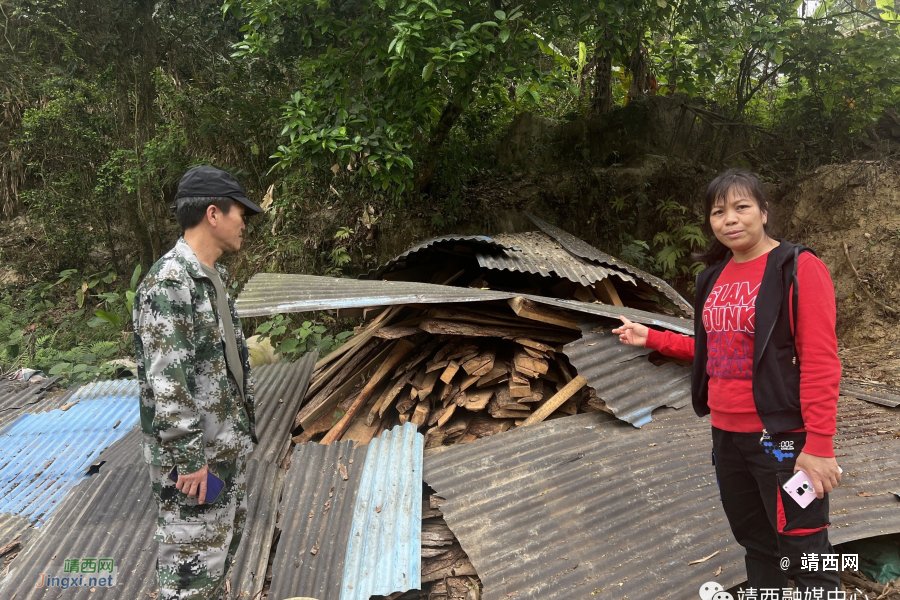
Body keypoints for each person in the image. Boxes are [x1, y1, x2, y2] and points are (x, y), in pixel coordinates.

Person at [612, 168, 842, 593]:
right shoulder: (713, 278)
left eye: (742, 207)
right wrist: (653, 338)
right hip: (728, 438)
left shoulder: (796, 268)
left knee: (807, 547)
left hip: (783, 439)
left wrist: (820, 447)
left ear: (764, 212)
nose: (730, 220)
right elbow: (716, 348)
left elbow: (821, 361)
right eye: (719, 212)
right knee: (756, 542)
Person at [133, 166, 263, 599]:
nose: (245, 221)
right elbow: (169, 384)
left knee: (218, 559)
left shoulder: (211, 279)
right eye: (240, 212)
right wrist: (189, 461)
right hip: (195, 463)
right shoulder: (170, 283)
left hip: (224, 449)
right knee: (190, 575)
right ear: (213, 213)